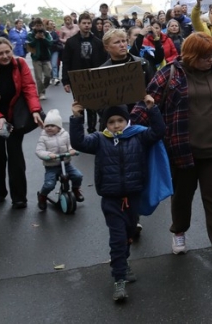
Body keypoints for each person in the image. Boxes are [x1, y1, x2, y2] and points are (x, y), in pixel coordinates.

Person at [128, 33, 212, 272]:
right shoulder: (170, 73)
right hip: (180, 149)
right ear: (191, 55)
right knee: (183, 196)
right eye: (205, 56)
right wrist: (127, 132)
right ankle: (179, 230)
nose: (210, 59)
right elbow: (145, 105)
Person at [71, 102, 165, 302]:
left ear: (127, 120)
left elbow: (158, 131)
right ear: (106, 124)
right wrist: (77, 118)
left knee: (129, 234)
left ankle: (123, 262)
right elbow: (78, 142)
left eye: (120, 120)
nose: (116, 125)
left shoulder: (138, 136)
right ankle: (119, 279)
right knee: (117, 238)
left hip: (133, 198)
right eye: (111, 121)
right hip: (111, 200)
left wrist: (152, 108)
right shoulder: (99, 140)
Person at [0, 37, 44, 208]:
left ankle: (19, 197)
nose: (5, 56)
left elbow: (29, 87)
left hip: (14, 119)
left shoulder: (20, 64)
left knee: (16, 158)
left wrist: (35, 110)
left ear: (12, 50)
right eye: (0, 53)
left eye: (7, 52)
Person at [61, 13, 107, 133]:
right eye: (84, 23)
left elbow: (103, 61)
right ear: (79, 24)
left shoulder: (97, 42)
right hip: (77, 78)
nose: (86, 25)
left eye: (88, 23)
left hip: (93, 78)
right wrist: (65, 80)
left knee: (92, 106)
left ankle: (92, 130)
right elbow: (66, 61)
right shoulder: (71, 42)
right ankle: (79, 131)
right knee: (79, 105)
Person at [35, 109, 85, 210]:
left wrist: (72, 150)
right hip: (51, 166)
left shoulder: (65, 135)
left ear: (59, 127)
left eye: (52, 126)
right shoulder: (43, 137)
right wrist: (49, 155)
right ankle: (42, 196)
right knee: (49, 185)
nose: (49, 128)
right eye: (47, 126)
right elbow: (39, 151)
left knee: (78, 176)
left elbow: (70, 145)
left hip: (66, 164)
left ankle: (75, 189)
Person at [27, 20, 54, 101]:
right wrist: (35, 38)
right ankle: (41, 93)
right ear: (34, 26)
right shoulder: (30, 34)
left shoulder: (47, 33)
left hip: (46, 57)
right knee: (38, 77)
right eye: (37, 25)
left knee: (48, 76)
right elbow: (29, 44)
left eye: (40, 25)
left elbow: (50, 43)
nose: (39, 27)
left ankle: (42, 88)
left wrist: (43, 38)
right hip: (36, 58)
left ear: (43, 25)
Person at [47, 19, 63, 85]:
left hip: (55, 50)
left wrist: (51, 42)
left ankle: (55, 77)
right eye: (50, 24)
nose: (52, 25)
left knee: (54, 64)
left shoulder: (55, 33)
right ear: (47, 25)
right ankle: (50, 77)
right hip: (47, 51)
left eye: (52, 23)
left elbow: (57, 40)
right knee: (48, 66)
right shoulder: (45, 33)